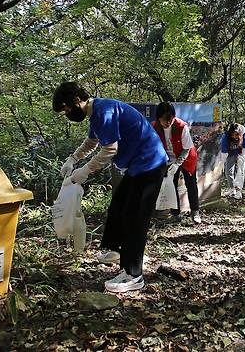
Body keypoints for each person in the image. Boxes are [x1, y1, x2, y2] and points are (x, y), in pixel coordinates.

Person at [54, 82, 167, 293]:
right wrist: (72, 159)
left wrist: (84, 171)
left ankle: (133, 274)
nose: (67, 113)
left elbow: (109, 150)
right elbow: (91, 143)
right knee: (118, 207)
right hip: (136, 166)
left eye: (67, 109)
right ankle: (116, 251)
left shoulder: (103, 111)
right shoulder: (96, 112)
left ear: (76, 101)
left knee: (135, 218)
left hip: (150, 163)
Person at [152, 102, 201, 224]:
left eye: (171, 119)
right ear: (158, 118)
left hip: (186, 157)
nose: (168, 122)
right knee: (171, 185)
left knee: (191, 184)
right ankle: (175, 214)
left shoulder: (181, 126)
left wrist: (177, 164)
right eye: (165, 120)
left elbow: (186, 149)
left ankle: (195, 212)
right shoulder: (154, 127)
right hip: (167, 159)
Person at [220, 123, 245, 200]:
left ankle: (239, 190)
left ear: (240, 133)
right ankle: (232, 189)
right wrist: (222, 163)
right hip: (230, 152)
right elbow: (224, 152)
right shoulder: (225, 136)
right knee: (228, 171)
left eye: (236, 135)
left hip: (241, 152)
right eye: (232, 135)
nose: (234, 137)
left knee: (241, 170)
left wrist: (241, 158)